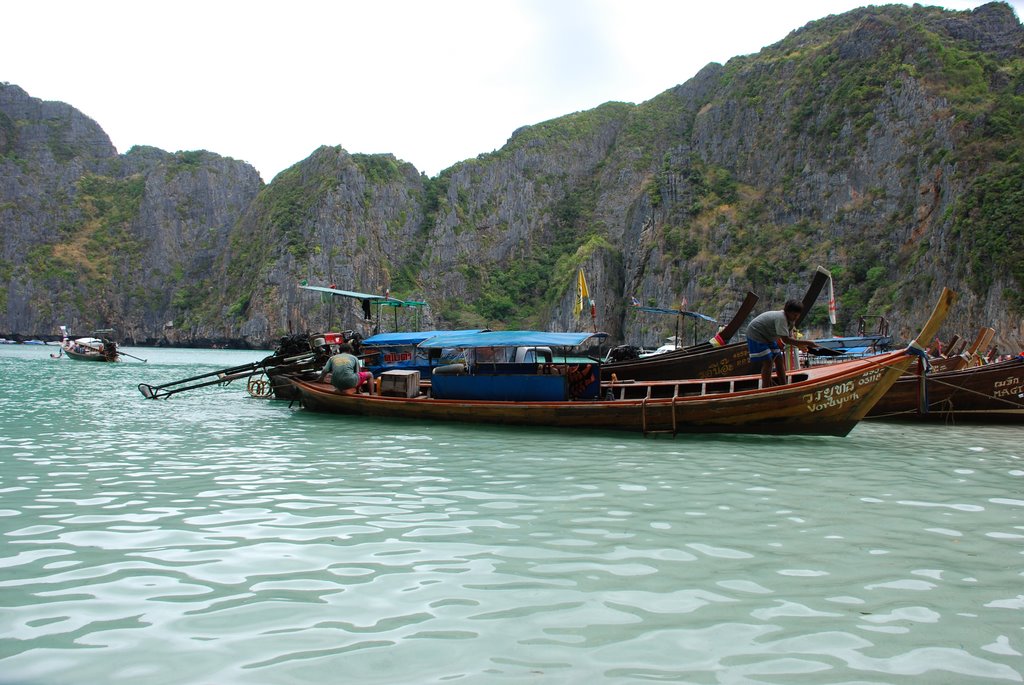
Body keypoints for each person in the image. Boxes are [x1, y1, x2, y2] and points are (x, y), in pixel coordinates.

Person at [745, 299, 817, 387]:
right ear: (787, 312)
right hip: (756, 334)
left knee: (778, 358)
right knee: (768, 361)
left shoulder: (790, 320)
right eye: (794, 315)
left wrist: (801, 346)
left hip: (769, 337)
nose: (796, 317)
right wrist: (807, 342)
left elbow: (790, 337)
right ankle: (766, 387)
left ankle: (784, 385)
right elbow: (786, 340)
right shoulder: (781, 318)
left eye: (798, 315)